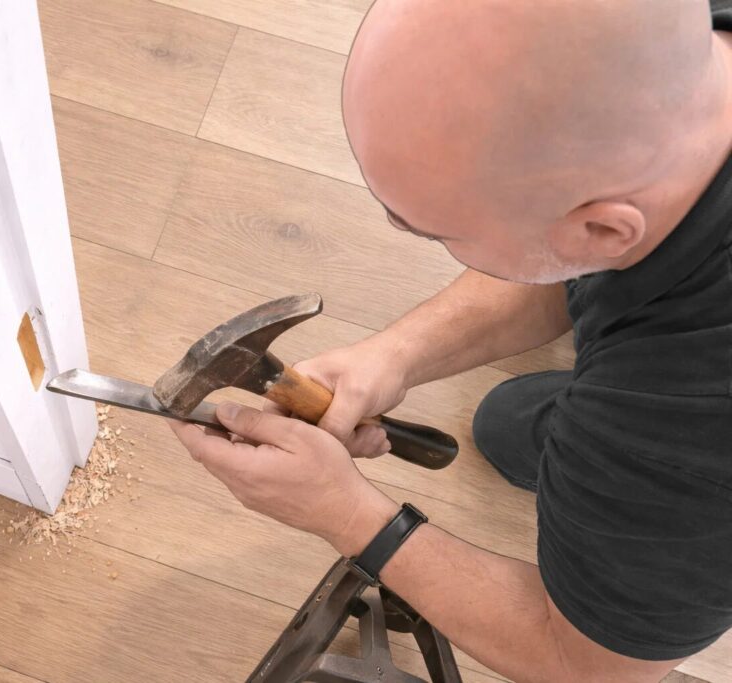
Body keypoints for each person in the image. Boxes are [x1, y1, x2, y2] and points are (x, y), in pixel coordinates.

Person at [169, 0, 732, 680]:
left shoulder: (676, 424)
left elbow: (589, 663)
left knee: (619, 466)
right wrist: (398, 353)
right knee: (521, 425)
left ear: (606, 232)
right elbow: (567, 249)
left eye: (436, 230)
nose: (398, 229)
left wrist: (345, 511)